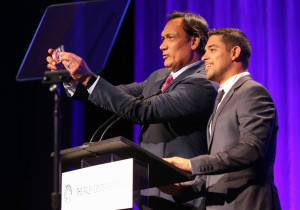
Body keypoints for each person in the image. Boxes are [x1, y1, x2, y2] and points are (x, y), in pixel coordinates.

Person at [47, 11, 217, 209]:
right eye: (162, 39)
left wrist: (87, 78)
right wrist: (74, 80)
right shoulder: (159, 76)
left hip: (183, 193)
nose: (162, 45)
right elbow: (117, 95)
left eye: (170, 38)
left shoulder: (203, 82)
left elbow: (142, 111)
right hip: (149, 191)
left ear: (194, 42)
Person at [163, 28, 281, 209]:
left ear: (234, 52)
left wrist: (191, 164)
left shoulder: (252, 92)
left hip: (246, 203)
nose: (203, 57)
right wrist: (181, 190)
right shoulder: (222, 99)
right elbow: (217, 171)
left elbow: (251, 150)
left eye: (212, 49)